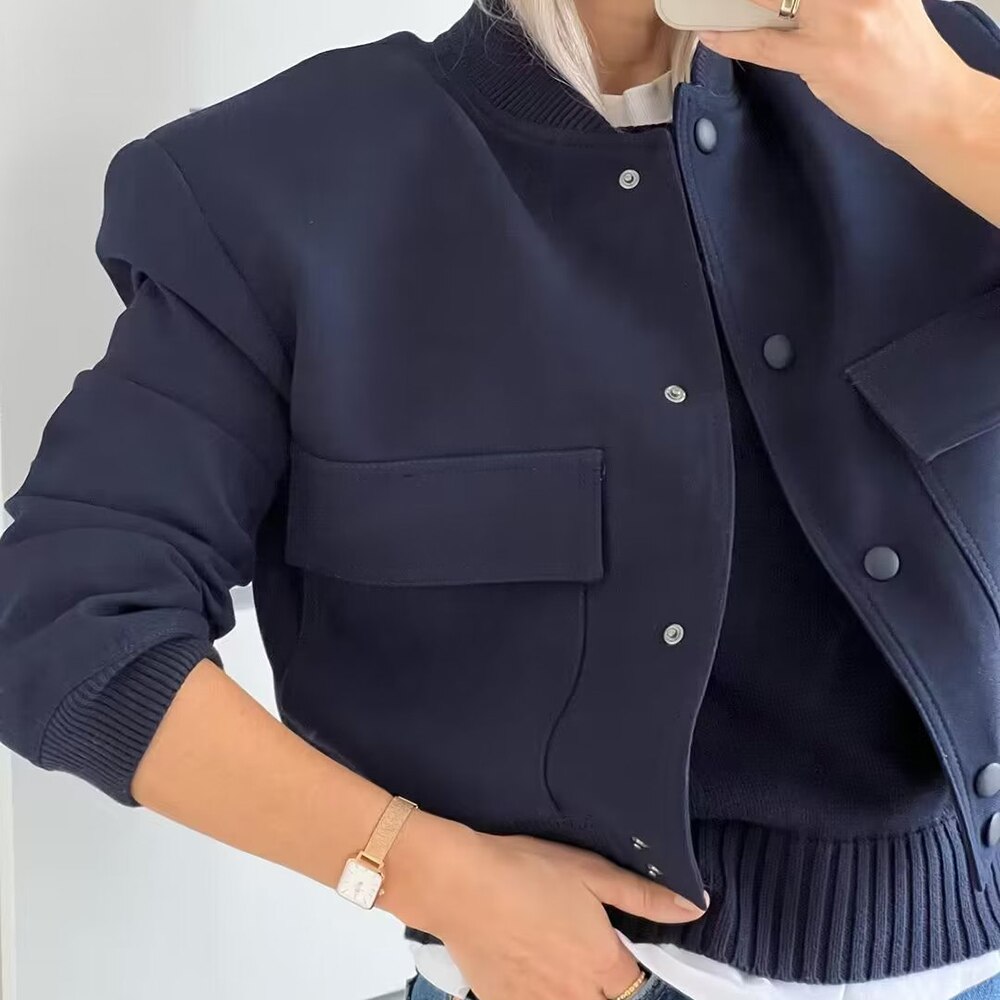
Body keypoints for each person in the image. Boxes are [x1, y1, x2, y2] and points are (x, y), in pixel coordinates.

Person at [2, 0, 1000, 997]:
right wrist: (429, 874)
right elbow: (64, 622)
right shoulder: (281, 185)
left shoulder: (950, 73)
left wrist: (949, 111)